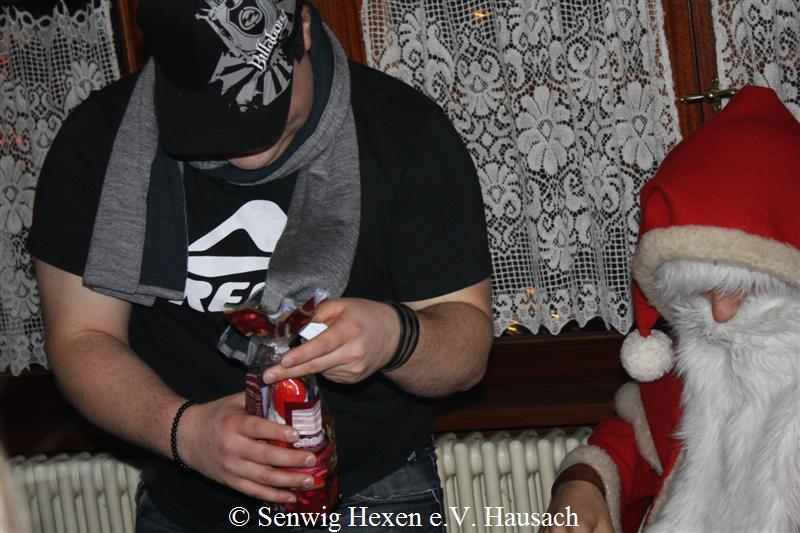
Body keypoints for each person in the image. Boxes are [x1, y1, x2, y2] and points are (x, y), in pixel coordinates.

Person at [28, 1, 493, 531]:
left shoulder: (403, 130)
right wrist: (184, 432)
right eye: (210, 115)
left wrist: (395, 337)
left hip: (373, 490)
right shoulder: (97, 141)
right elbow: (81, 337)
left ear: (302, 29)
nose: (242, 146)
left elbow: (467, 355)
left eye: (259, 106)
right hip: (185, 501)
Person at [541, 85, 800, 533]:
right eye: (699, 292)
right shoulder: (688, 379)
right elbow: (627, 444)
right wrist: (582, 484)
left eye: (748, 290)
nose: (721, 316)